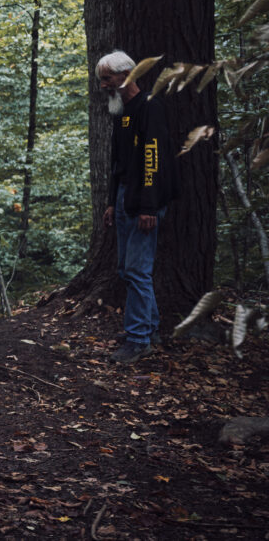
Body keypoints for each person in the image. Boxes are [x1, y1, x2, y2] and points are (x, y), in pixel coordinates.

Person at [97, 51, 179, 364]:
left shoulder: (149, 107)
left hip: (144, 201)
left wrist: (149, 207)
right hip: (123, 198)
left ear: (127, 75)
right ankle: (149, 328)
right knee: (126, 269)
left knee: (136, 270)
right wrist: (109, 201)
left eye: (107, 78)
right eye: (101, 79)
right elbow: (117, 162)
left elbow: (153, 159)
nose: (104, 85)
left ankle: (139, 339)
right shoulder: (121, 111)